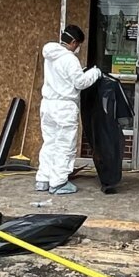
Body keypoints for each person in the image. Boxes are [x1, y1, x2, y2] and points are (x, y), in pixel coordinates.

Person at [36, 25, 101, 195]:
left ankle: (43, 179)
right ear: (73, 42)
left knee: (49, 143)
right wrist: (95, 73)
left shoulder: (50, 55)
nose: (78, 48)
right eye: (78, 44)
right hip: (64, 106)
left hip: (47, 104)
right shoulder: (70, 59)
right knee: (65, 145)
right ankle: (58, 183)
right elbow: (80, 83)